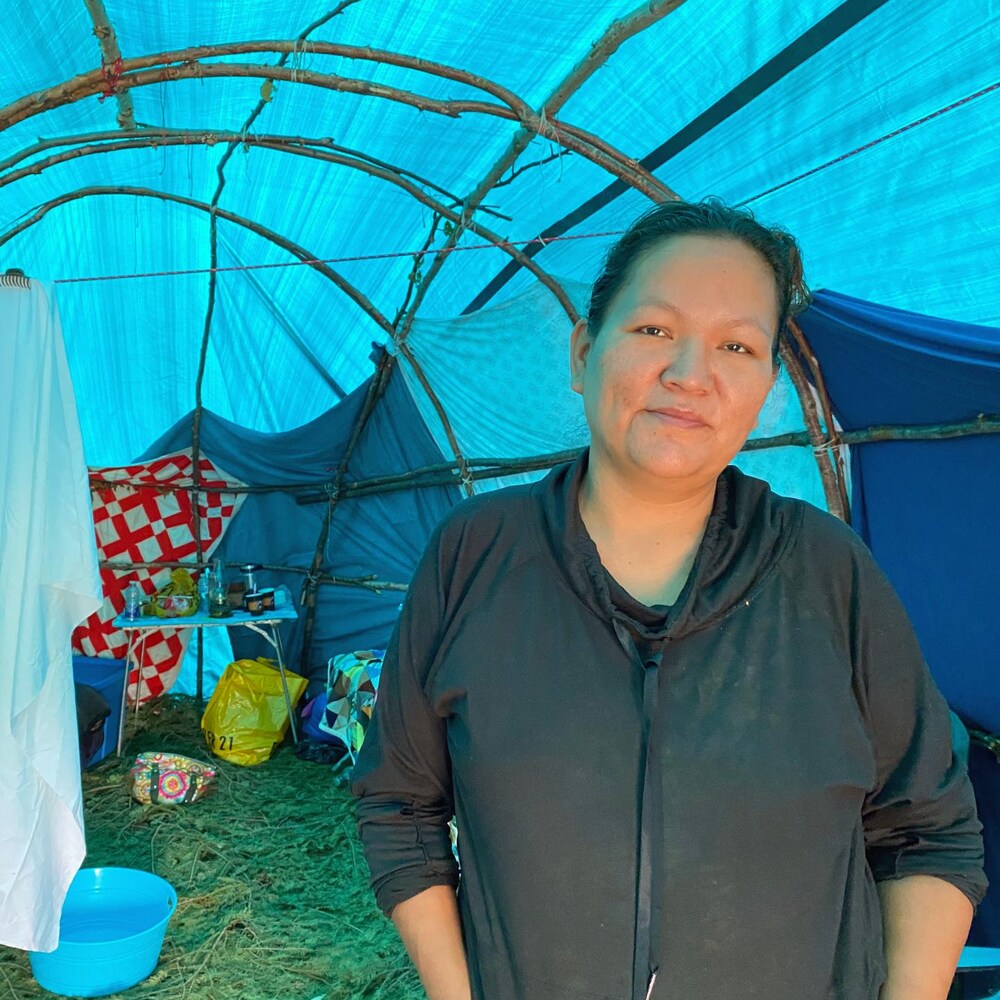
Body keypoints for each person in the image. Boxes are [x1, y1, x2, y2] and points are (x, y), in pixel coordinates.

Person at [352, 199, 987, 1000]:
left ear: (766, 389)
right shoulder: (475, 555)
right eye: (653, 330)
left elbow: (930, 832)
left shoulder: (830, 571)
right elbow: (399, 805)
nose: (690, 373)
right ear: (584, 353)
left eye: (736, 344)